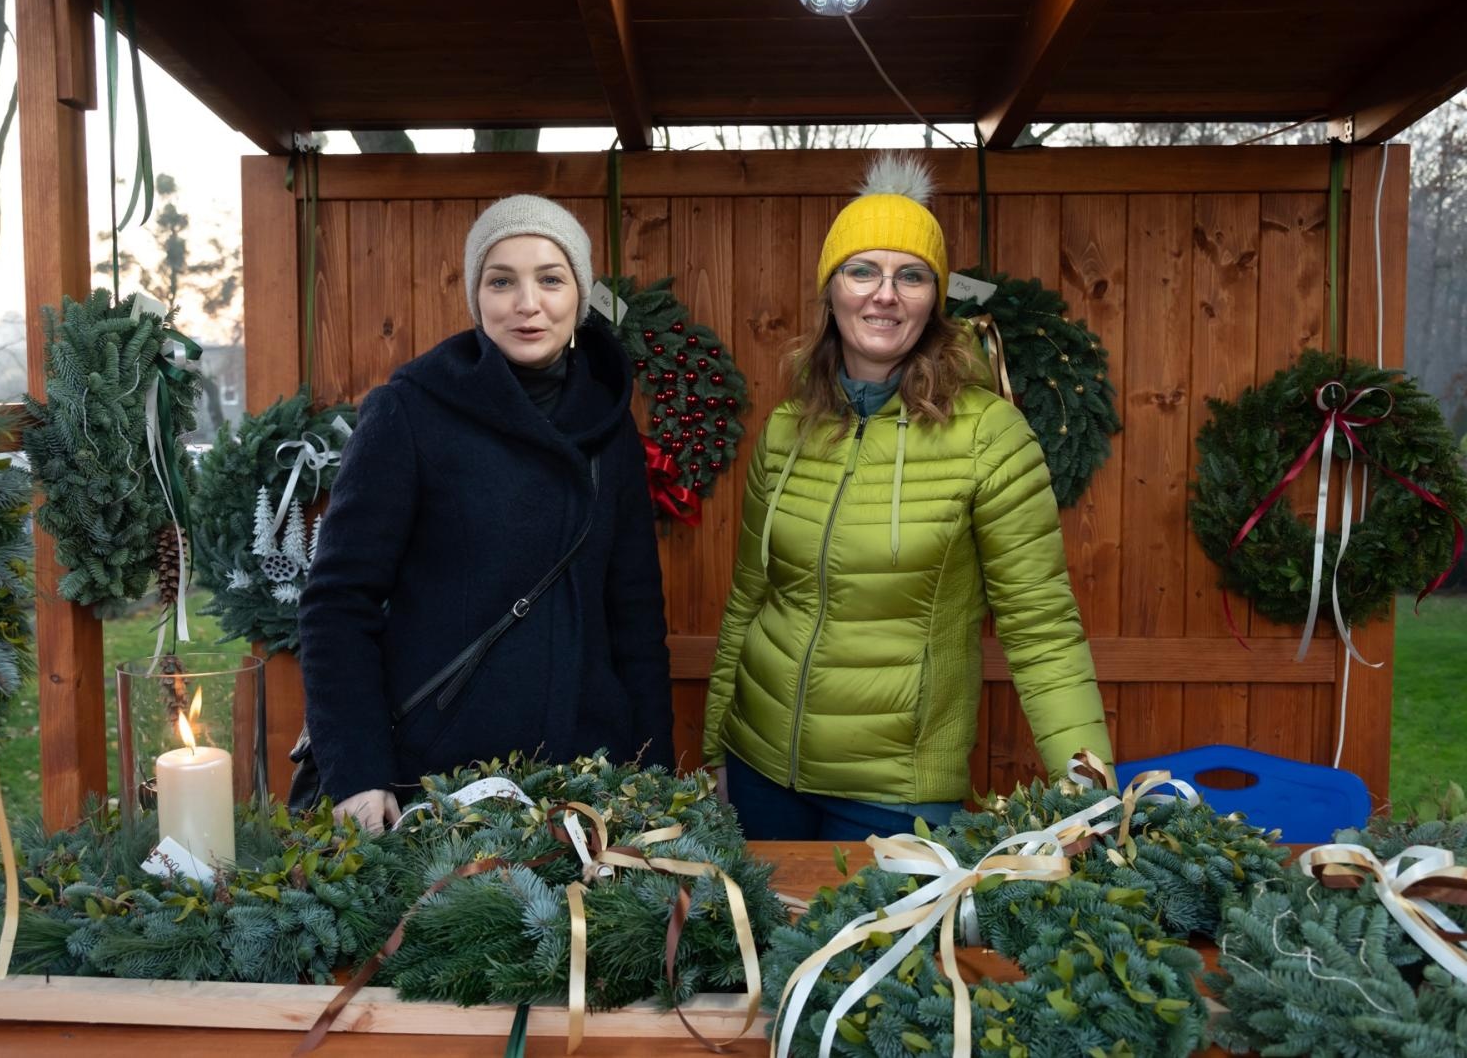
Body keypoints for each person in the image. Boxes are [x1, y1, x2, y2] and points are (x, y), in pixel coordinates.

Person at [701, 154, 1112, 842]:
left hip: (892, 795)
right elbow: (749, 598)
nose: (885, 294)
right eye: (863, 270)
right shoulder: (787, 429)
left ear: (934, 300)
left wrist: (1090, 797)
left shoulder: (988, 435)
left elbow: (1042, 629)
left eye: (911, 276)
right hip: (760, 769)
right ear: (832, 291)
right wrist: (717, 744)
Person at [298, 195, 674, 833]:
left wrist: (654, 775)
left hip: (589, 788)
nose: (527, 303)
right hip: (440, 786)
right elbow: (338, 602)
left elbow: (635, 617)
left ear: (579, 296)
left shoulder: (610, 429)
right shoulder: (409, 412)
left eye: (550, 279)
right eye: (501, 281)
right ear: (477, 297)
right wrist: (357, 771)